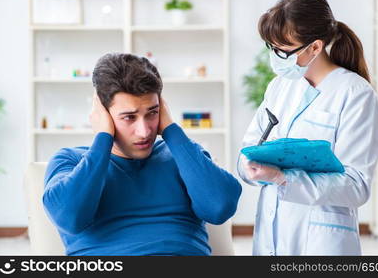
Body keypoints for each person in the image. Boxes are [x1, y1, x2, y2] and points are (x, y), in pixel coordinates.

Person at [43, 53, 242, 256]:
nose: (145, 131)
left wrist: (171, 130)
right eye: (129, 117)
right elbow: (70, 217)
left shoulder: (182, 154)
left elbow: (221, 208)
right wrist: (103, 137)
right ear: (102, 115)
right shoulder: (70, 161)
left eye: (152, 113)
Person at [237, 0, 378, 255]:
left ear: (315, 47)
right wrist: (250, 167)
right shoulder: (280, 86)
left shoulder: (355, 94)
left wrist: (283, 178)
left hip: (321, 241)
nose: (275, 57)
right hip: (271, 236)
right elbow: (249, 145)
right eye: (272, 48)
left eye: (282, 51)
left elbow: (357, 186)